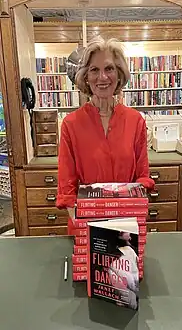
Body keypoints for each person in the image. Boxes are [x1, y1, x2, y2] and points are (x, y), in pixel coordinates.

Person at [56, 36, 155, 234]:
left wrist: (130, 219)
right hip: (85, 226)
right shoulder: (70, 124)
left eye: (109, 68)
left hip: (125, 228)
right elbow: (66, 185)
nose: (102, 77)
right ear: (85, 76)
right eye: (94, 70)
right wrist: (84, 227)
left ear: (119, 74)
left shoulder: (136, 121)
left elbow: (142, 177)